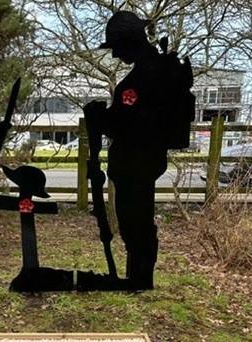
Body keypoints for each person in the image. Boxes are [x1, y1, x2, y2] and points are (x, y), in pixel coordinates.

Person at [84, 11, 174, 290]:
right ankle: (138, 276)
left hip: (136, 163)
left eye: (117, 48)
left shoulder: (140, 78)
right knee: (138, 221)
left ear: (129, 42)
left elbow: (129, 124)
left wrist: (100, 118)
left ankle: (139, 279)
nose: (115, 55)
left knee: (135, 223)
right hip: (144, 161)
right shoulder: (155, 70)